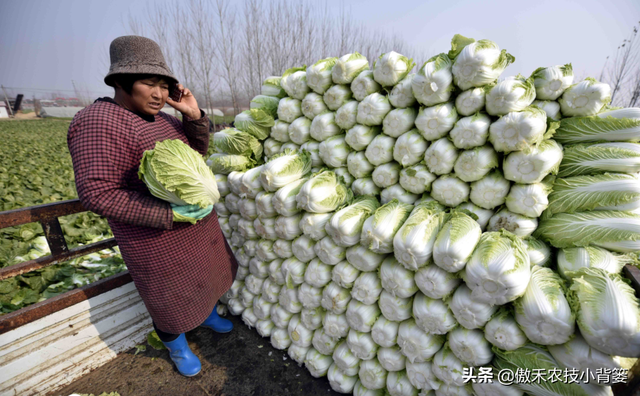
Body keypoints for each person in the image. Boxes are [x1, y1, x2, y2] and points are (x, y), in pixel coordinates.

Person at [67, 35, 238, 377]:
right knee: (170, 300)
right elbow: (97, 193)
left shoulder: (163, 119)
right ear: (120, 82)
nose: (160, 95)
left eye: (164, 85)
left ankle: (206, 316)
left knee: (206, 279)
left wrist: (194, 115)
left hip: (197, 230)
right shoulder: (96, 121)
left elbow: (195, 156)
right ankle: (176, 345)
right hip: (155, 241)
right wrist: (168, 214)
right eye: (149, 84)